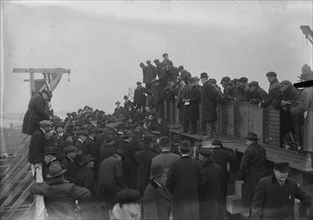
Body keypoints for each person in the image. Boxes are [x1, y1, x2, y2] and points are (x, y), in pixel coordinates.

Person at [166, 140, 202, 220]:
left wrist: (174, 193)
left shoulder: (174, 165)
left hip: (179, 200)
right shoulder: (197, 164)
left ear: (180, 150)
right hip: (193, 199)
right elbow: (202, 182)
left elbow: (169, 183)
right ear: (190, 150)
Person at [238, 132, 267, 215]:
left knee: (252, 197)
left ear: (250, 141)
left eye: (247, 141)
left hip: (252, 175)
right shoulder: (263, 149)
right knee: (260, 195)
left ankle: (252, 215)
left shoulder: (249, 150)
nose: (246, 143)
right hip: (262, 174)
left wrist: (240, 177)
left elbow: (243, 165)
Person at [291, 66, 313, 170]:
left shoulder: (307, 91)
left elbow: (304, 106)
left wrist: (294, 110)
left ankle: (309, 165)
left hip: (312, 116)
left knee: (309, 138)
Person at [198, 148, 224, 220]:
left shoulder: (201, 169)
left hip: (205, 201)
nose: (198, 157)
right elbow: (222, 184)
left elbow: (200, 185)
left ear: (203, 157)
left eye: (199, 155)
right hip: (216, 200)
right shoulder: (219, 168)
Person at [75, 154, 102, 220]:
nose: (93, 162)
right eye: (91, 161)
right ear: (87, 163)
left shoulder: (80, 173)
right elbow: (89, 188)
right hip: (90, 202)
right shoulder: (89, 173)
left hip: (82, 201)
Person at [200, 72, 219, 138]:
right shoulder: (207, 85)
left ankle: (209, 135)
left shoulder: (207, 85)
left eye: (201, 79)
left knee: (209, 120)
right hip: (208, 107)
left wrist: (214, 104)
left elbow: (212, 96)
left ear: (203, 78)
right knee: (209, 120)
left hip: (209, 107)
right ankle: (212, 134)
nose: (201, 81)